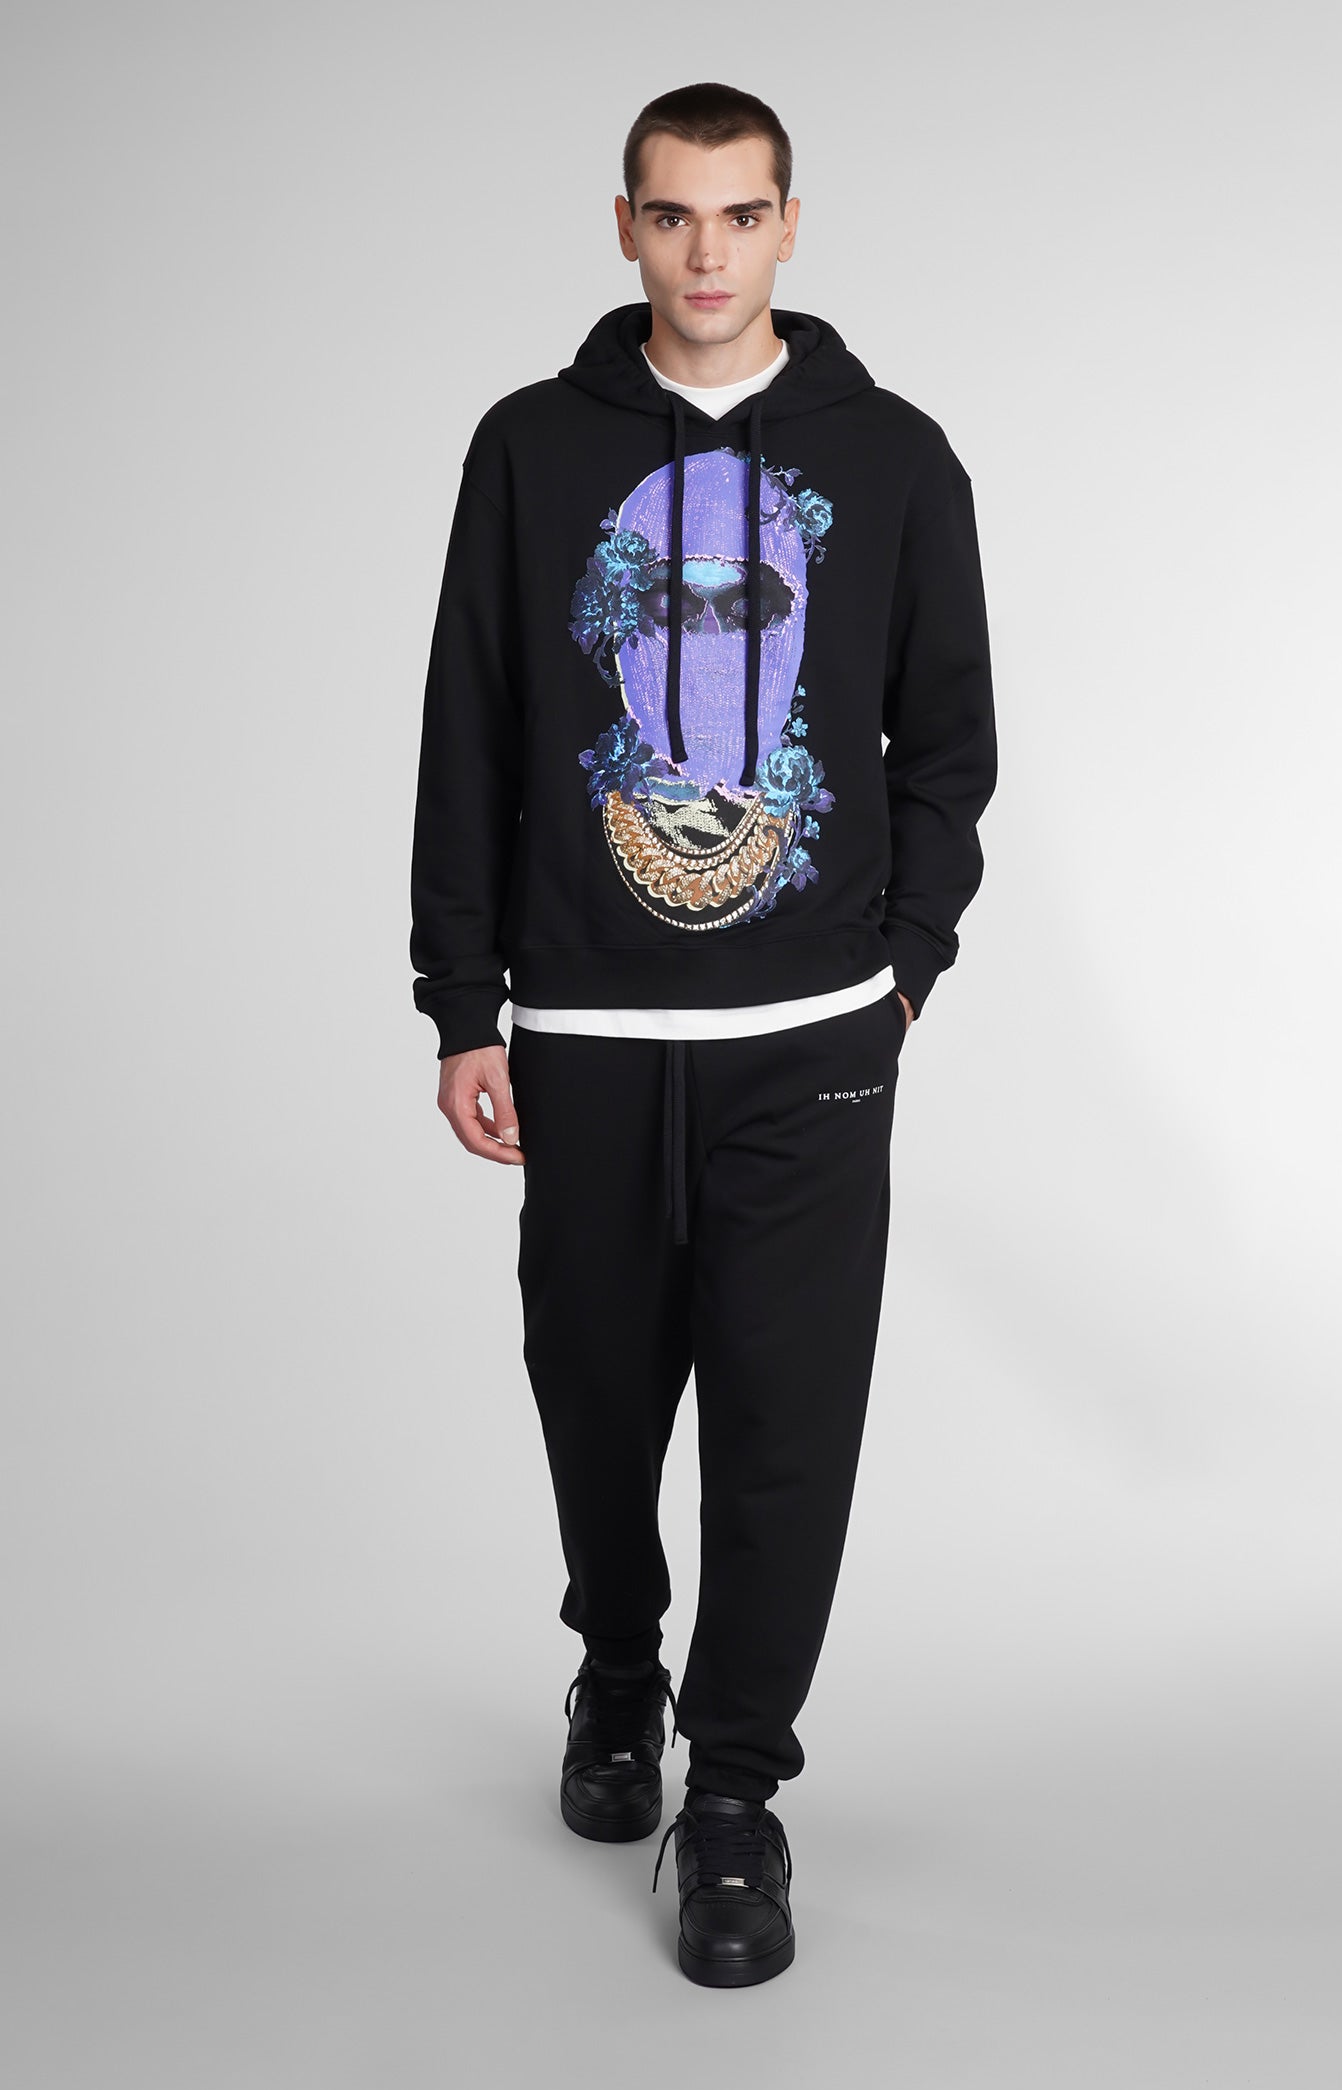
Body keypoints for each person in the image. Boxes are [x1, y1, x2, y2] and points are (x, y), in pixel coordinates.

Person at [409, 80, 997, 1989]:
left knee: (784, 1429)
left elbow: (948, 738)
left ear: (789, 226)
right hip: (584, 1026)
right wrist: (463, 999)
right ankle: (616, 1663)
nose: (708, 251)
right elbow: (474, 725)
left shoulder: (894, 460)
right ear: (626, 225)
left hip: (811, 1038)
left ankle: (735, 1793)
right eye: (673, 215)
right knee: (595, 1391)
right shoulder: (530, 449)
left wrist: (903, 964)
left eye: (742, 214)